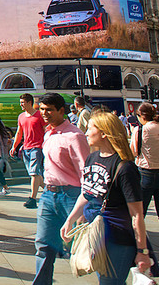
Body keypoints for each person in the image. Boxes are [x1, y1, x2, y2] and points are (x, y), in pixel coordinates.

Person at [61, 110, 152, 285]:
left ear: (103, 132)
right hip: (95, 232)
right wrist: (70, 220)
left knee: (110, 282)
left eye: (90, 128)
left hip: (118, 238)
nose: (85, 132)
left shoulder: (125, 168)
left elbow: (136, 214)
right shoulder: (92, 158)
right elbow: (87, 193)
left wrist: (142, 251)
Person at [32, 93, 90, 285]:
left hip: (71, 195)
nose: (45, 113)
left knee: (84, 245)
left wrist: (82, 207)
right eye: (42, 109)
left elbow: (85, 174)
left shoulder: (75, 136)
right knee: (43, 245)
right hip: (49, 195)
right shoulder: (48, 134)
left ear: (61, 111)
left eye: (49, 109)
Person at [10, 93, 45, 209]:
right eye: (20, 103)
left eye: (22, 103)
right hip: (26, 148)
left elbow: (46, 130)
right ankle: (51, 192)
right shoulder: (21, 116)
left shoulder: (39, 115)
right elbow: (19, 133)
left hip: (37, 147)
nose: (20, 105)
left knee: (34, 173)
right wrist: (14, 146)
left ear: (30, 102)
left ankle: (32, 199)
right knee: (35, 174)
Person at [130, 102, 159, 218]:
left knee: (140, 211)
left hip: (145, 172)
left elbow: (134, 152)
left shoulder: (140, 130)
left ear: (142, 116)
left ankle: (139, 235)